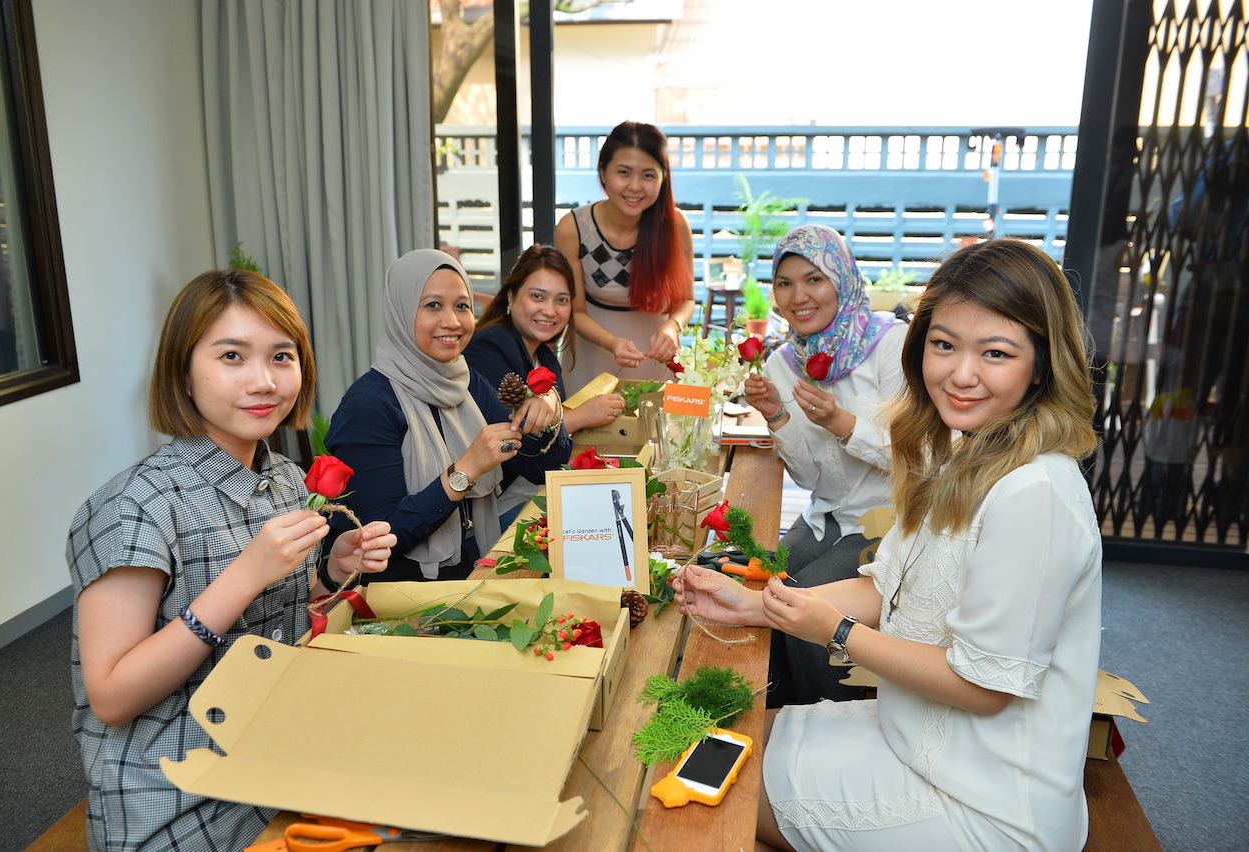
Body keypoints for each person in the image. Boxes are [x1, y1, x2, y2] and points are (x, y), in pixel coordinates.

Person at [676, 238, 1102, 852]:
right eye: (944, 344)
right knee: (713, 746)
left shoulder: (1037, 491)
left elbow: (984, 689)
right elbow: (886, 583)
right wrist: (756, 607)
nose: (961, 373)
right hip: (914, 736)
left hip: (987, 800)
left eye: (996, 353)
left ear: (1042, 362)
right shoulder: (965, 451)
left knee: (706, 795)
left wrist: (834, 631)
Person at [67, 269, 397, 852]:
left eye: (281, 356)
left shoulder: (284, 478)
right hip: (179, 802)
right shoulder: (133, 505)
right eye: (232, 356)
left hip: (276, 760)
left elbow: (275, 620)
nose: (264, 381)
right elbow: (112, 695)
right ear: (184, 375)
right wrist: (245, 575)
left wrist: (329, 570)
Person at [327, 249, 572, 582]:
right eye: (432, 305)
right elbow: (379, 539)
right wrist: (465, 471)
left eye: (461, 305)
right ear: (401, 310)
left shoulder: (466, 380)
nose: (453, 321)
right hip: (406, 592)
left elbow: (538, 464)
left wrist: (551, 411)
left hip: (471, 562)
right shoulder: (368, 405)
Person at [741, 224, 907, 705]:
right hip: (827, 515)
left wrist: (841, 421)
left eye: (814, 279)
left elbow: (916, 458)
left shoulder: (892, 345)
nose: (799, 296)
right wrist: (775, 414)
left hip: (893, 517)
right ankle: (775, 718)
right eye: (785, 283)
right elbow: (811, 479)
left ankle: (834, 726)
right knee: (761, 580)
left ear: (842, 278)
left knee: (803, 603)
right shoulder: (783, 363)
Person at [464, 244, 626, 522]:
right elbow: (521, 453)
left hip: (527, 488)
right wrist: (579, 417)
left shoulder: (545, 356)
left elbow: (554, 455)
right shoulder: (489, 346)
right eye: (538, 296)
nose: (550, 311)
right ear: (511, 297)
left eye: (561, 300)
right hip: (489, 505)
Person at [555, 120, 695, 388]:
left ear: (663, 178)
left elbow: (687, 299)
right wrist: (611, 343)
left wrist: (672, 327)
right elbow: (575, 311)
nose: (635, 186)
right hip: (592, 359)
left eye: (648, 175)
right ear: (603, 172)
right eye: (624, 172)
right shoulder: (573, 228)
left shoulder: (675, 225)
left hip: (655, 360)